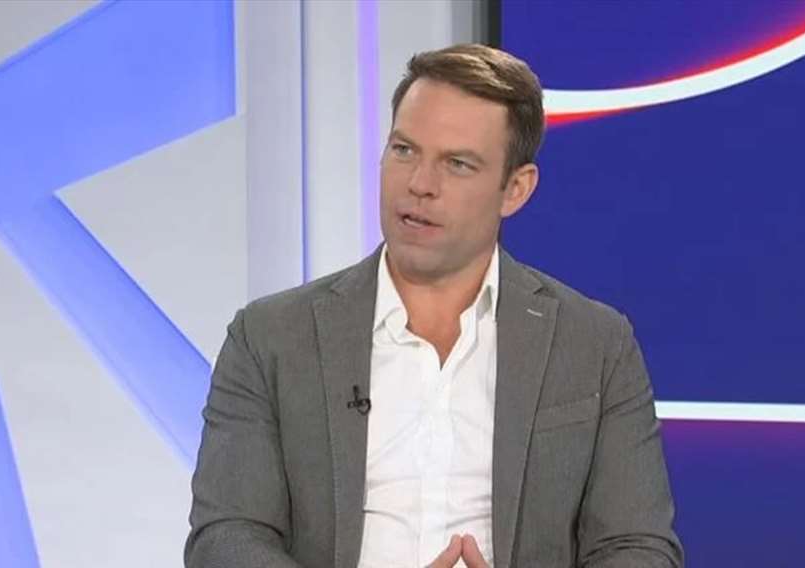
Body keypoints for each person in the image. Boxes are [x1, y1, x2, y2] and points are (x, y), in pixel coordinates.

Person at [184, 44, 683, 568]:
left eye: (457, 164)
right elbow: (226, 538)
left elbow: (639, 548)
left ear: (515, 190)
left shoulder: (595, 346)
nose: (419, 184)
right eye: (404, 150)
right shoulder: (269, 339)